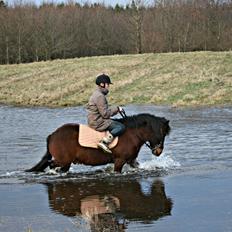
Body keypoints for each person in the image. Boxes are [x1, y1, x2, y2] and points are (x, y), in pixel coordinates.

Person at [86, 74, 125, 153]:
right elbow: (105, 114)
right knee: (120, 127)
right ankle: (104, 142)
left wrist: (115, 109)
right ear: (102, 84)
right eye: (107, 84)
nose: (108, 86)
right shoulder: (100, 96)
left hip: (95, 120)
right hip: (98, 122)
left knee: (116, 121)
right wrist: (117, 109)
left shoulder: (96, 94)